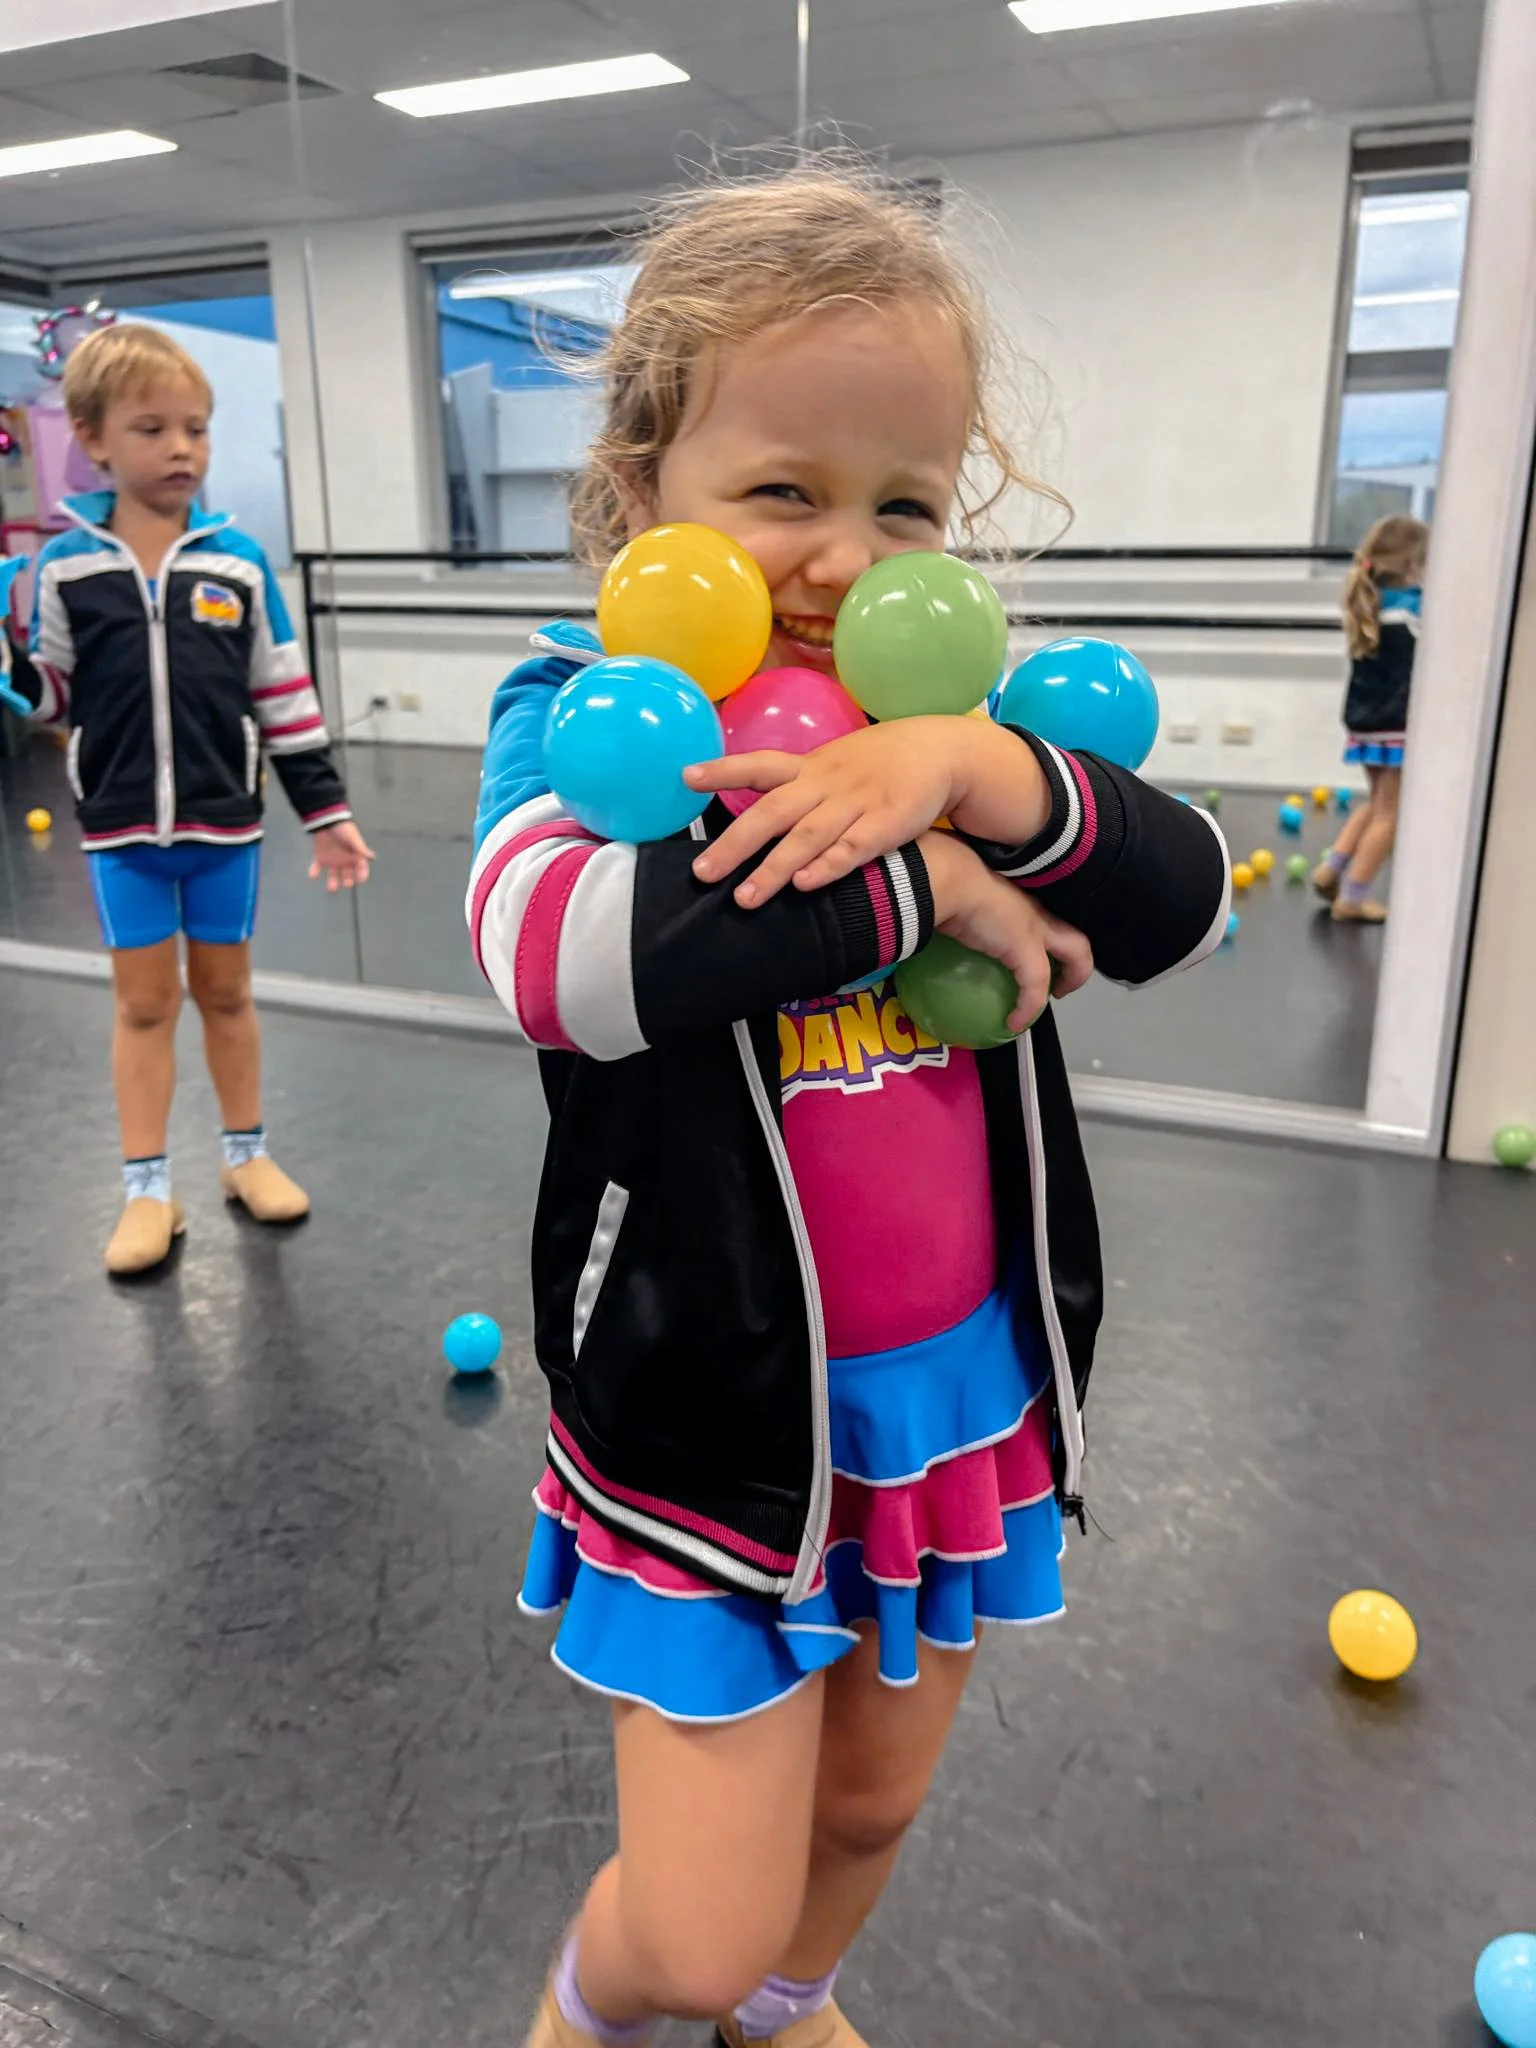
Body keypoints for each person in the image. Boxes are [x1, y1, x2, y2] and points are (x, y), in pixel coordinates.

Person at [466, 169, 1231, 2048]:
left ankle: (790, 1998)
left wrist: (974, 774)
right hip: (712, 1418)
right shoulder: (584, 719)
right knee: (695, 1921)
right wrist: (922, 884)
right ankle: (607, 1990)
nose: (842, 554)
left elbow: (1182, 895)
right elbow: (560, 958)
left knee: (873, 1799)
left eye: (904, 502)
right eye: (783, 489)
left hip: (949, 1393)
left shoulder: (957, 731)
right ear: (647, 486)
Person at [13, 324, 374, 1275]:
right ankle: (144, 1190)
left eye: (197, 429)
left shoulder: (240, 565)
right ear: (91, 439)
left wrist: (328, 813)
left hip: (225, 825)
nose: (182, 448)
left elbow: (284, 697)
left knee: (227, 992)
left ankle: (246, 1158)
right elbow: (52, 696)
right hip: (122, 832)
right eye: (153, 428)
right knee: (142, 1007)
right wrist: (13, 660)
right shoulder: (66, 567)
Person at [1312, 514, 1429, 923]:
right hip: (1395, 723)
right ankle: (1353, 898)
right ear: (1413, 565)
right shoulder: (1415, 608)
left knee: (1378, 802)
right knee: (1389, 813)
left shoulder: (1369, 601)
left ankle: (1332, 868)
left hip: (1364, 721)